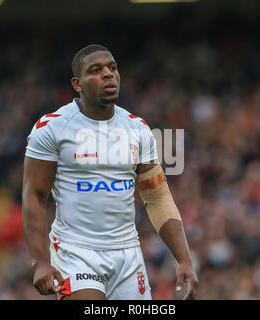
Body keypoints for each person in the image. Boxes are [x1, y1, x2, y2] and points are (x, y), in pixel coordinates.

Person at [22, 44, 198, 300]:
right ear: (77, 84)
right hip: (75, 252)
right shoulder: (52, 128)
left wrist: (184, 259)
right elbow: (34, 197)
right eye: (95, 70)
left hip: (128, 254)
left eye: (112, 68)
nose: (108, 74)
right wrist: (40, 262)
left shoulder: (137, 129)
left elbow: (157, 197)